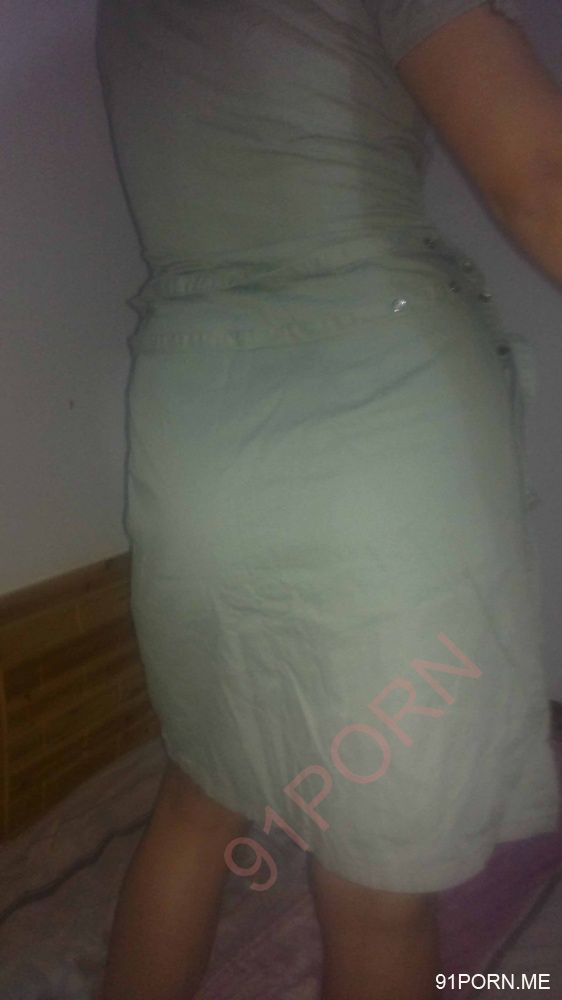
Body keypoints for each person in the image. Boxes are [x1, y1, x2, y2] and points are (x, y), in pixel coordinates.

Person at [95, 2, 562, 998]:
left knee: (200, 794)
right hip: (371, 406)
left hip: (189, 405)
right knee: (376, 875)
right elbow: (542, 178)